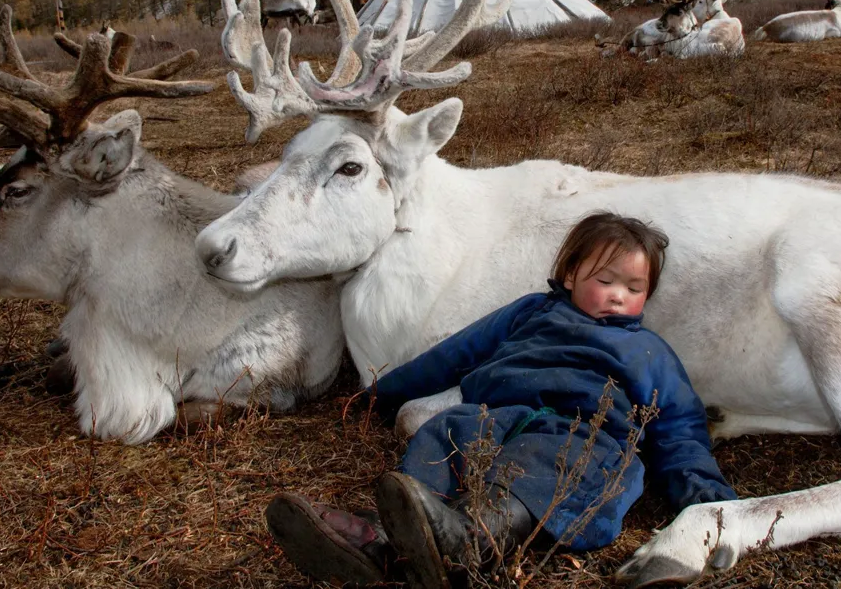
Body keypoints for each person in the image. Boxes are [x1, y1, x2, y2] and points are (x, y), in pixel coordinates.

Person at [266, 212, 736, 588]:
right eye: (606, 280)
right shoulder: (531, 311)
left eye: (634, 289)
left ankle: (474, 539)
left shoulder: (648, 350)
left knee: (551, 463)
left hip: (580, 434)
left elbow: (679, 428)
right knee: (443, 432)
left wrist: (708, 502)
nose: (618, 297)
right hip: (494, 415)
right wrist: (380, 396)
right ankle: (391, 537)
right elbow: (454, 355)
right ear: (571, 274)